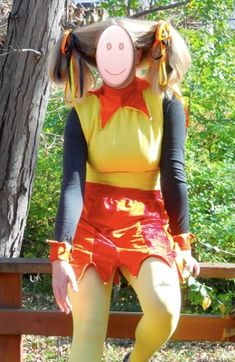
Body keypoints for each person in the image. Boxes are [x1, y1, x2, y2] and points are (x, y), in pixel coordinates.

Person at [48, 18, 200, 362]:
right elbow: (72, 185)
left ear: (138, 52)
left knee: (164, 311)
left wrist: (182, 240)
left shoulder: (165, 102)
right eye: (108, 48)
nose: (114, 56)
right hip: (90, 225)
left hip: (145, 222)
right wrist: (61, 254)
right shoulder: (83, 110)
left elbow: (174, 174)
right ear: (96, 55)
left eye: (122, 47)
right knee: (87, 332)